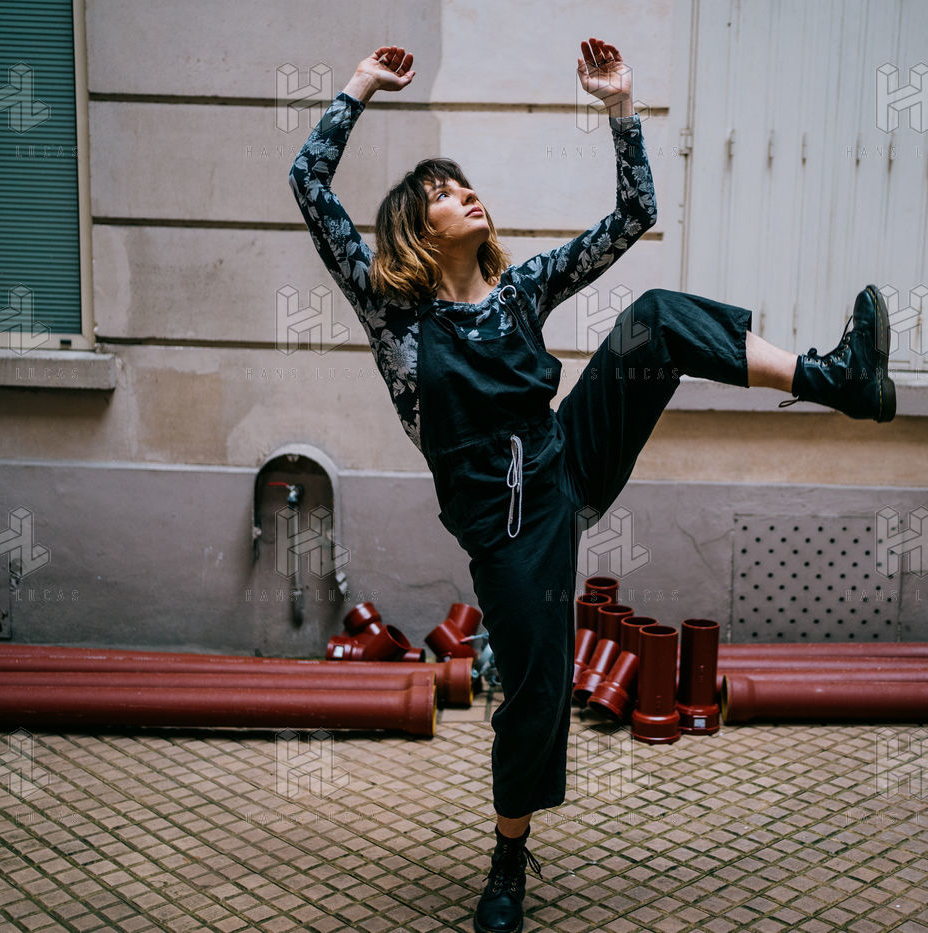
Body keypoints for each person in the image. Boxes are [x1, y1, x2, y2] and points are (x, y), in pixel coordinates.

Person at [289, 37, 895, 933]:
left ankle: (835, 379)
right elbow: (308, 183)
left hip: (567, 458)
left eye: (466, 185)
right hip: (506, 529)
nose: (467, 194)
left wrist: (619, 108)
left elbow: (633, 214)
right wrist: (360, 87)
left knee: (654, 321)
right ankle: (508, 855)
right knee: (537, 691)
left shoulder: (519, 291)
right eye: (446, 192)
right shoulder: (395, 317)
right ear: (418, 229)